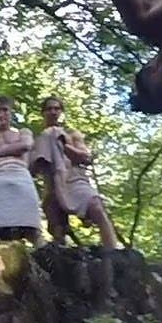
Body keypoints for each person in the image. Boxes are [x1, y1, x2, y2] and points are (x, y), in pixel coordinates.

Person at [29, 95, 121, 249]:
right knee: (57, 228)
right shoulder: (40, 139)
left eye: (57, 109)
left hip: (76, 180)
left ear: (61, 112)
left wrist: (62, 144)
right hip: (53, 186)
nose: (53, 112)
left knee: (97, 208)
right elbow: (33, 169)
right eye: (49, 109)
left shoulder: (72, 135)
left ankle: (113, 252)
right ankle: (62, 255)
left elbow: (86, 158)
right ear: (43, 113)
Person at [0, 95, 44, 242]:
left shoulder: (22, 132)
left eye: (5, 110)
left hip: (21, 176)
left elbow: (26, 145)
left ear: (11, 112)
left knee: (32, 228)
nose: (2, 113)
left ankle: (46, 261)